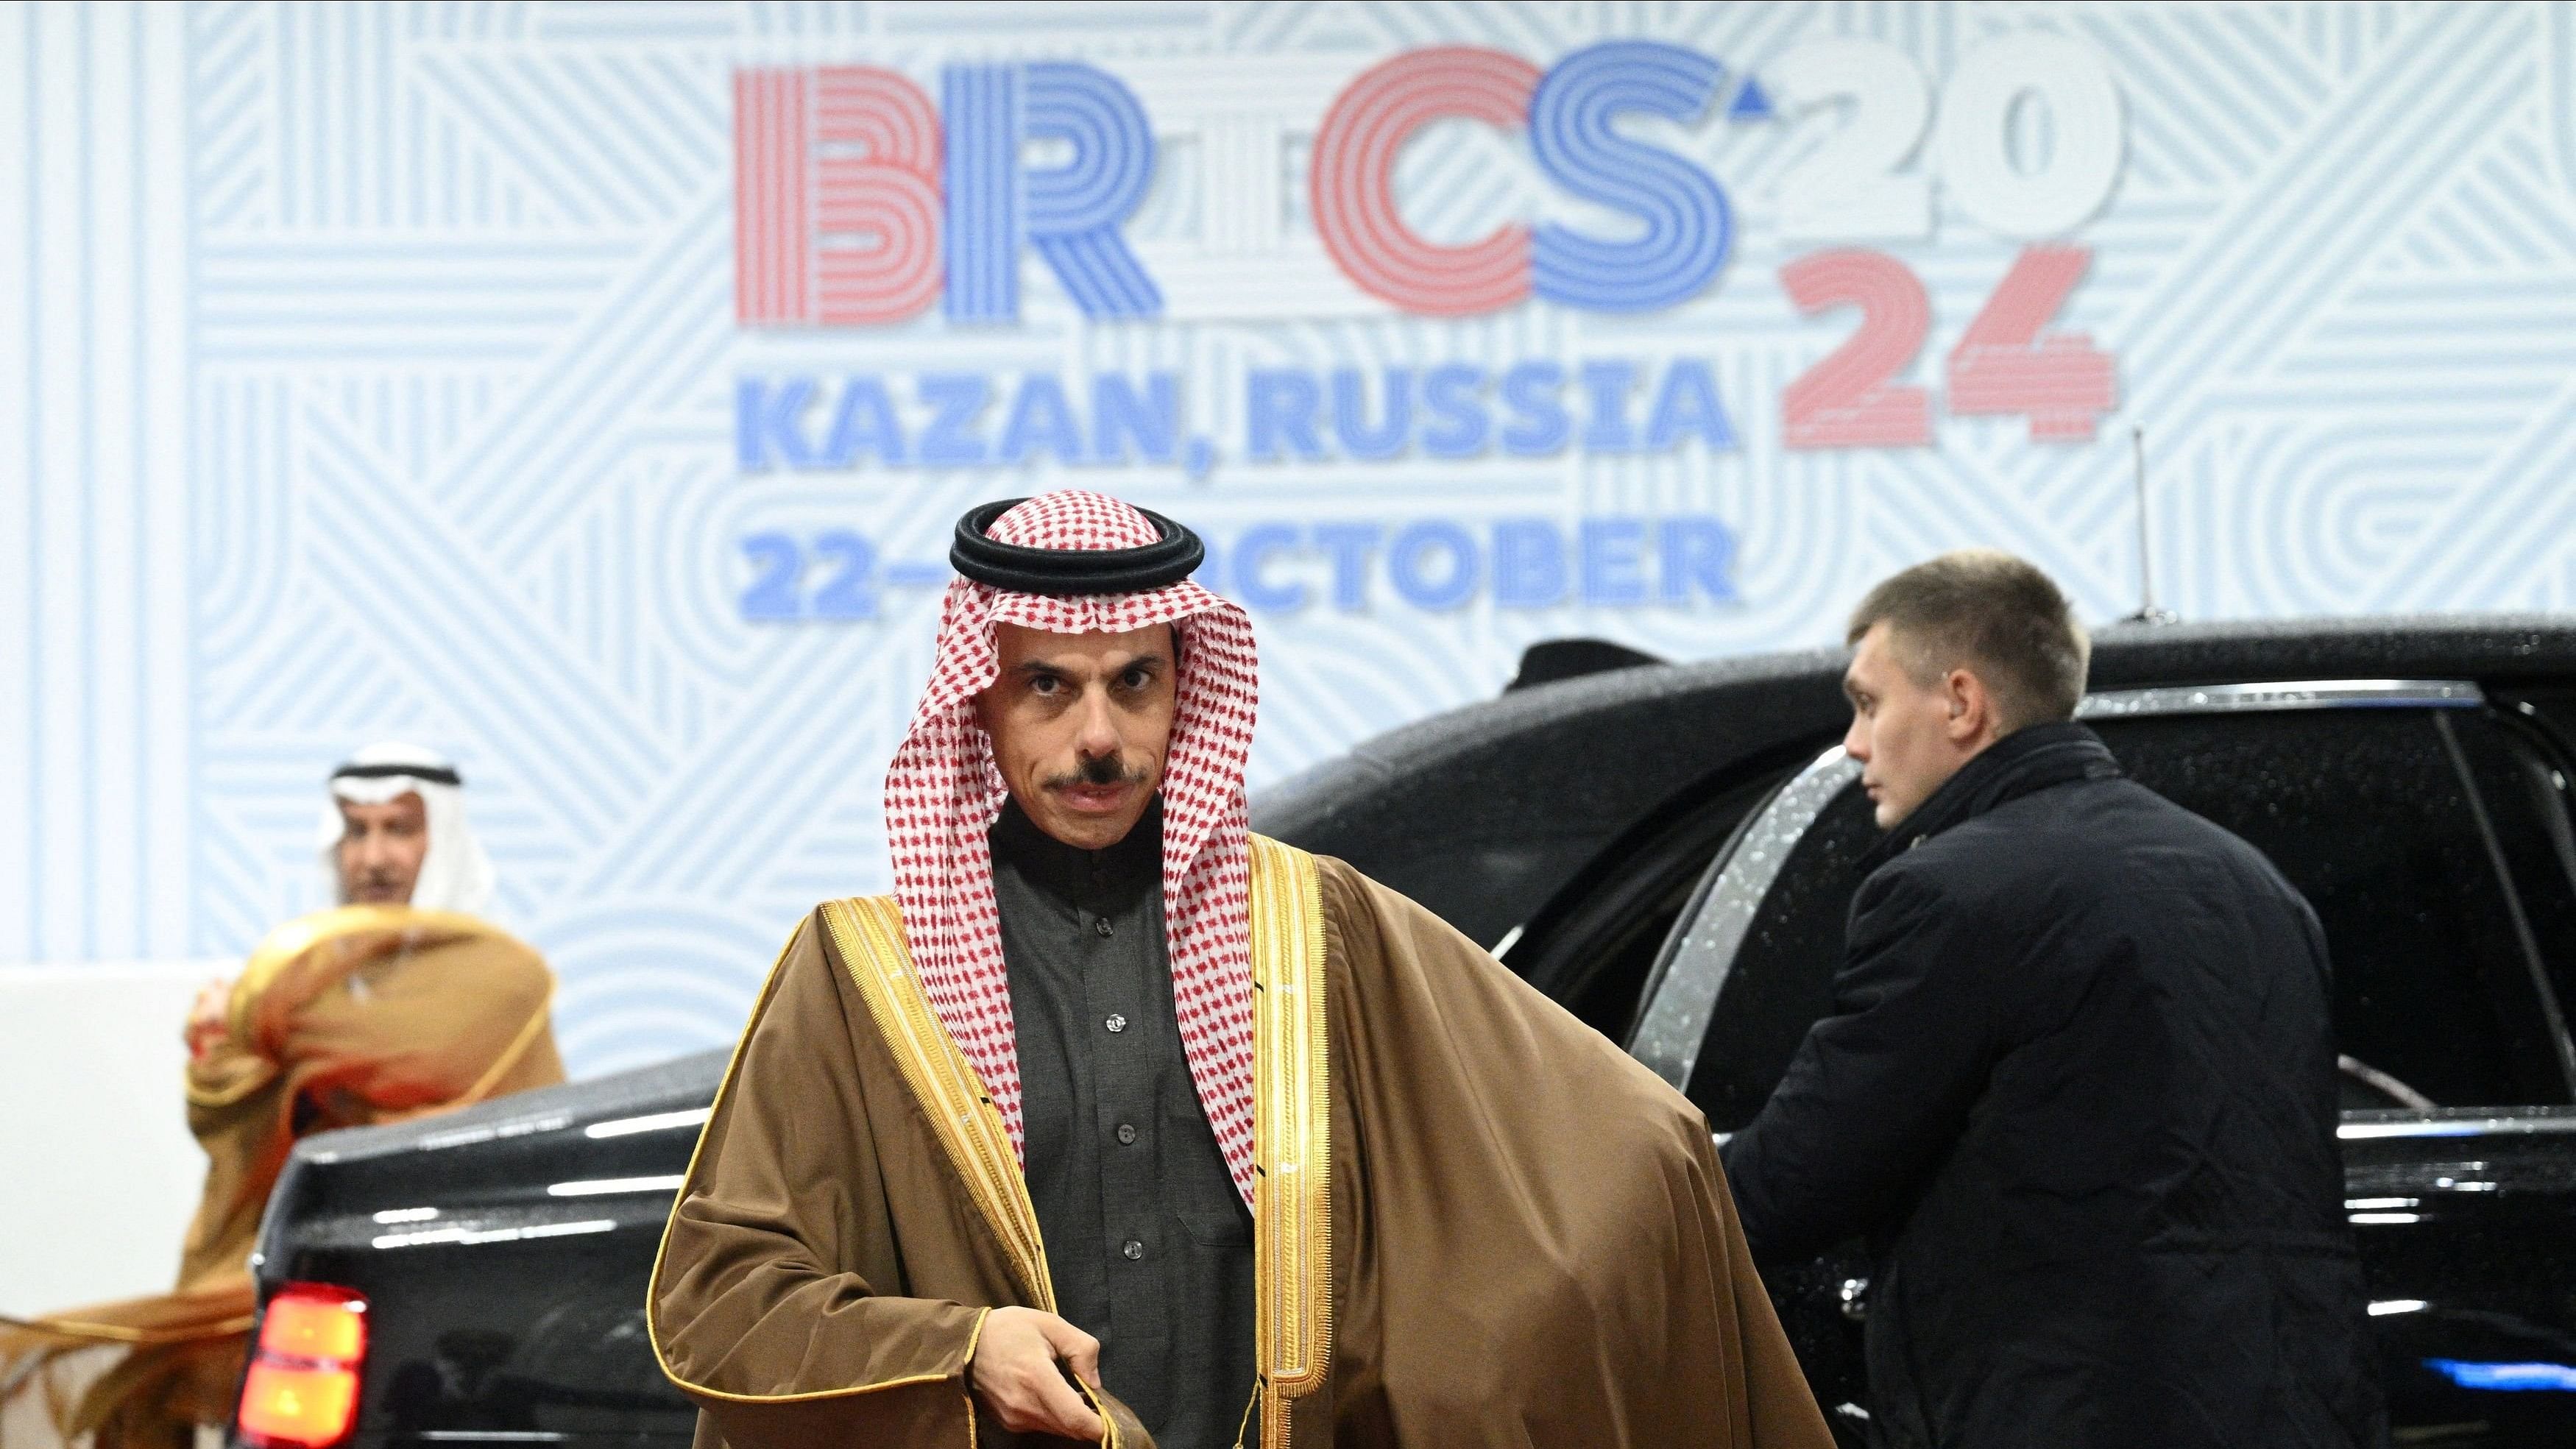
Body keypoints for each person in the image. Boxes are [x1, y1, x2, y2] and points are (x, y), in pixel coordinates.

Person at [648, 492, 1832, 1449]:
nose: (1098, 735)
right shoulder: (865, 975)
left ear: (1186, 691)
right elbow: (726, 1294)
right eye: (1048, 685)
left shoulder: (1318, 930)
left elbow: (1639, 1147)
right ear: (983, 706)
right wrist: (960, 1345)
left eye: (1135, 683)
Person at [1718, 551, 2379, 1449]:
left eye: (1869, 703)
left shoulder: (1950, 892)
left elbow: (1795, 1180)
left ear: (1959, 701)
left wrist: (1623, 1202)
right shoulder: (2255, 885)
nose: (1852, 744)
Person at [1, 745, 563, 1449]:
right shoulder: (303, 987)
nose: (375, 857)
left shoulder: (505, 980)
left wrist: (256, 1026)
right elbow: (224, 1107)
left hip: (454, 1287)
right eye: (356, 831)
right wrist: (231, 1041)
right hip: (315, 1276)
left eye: (399, 829)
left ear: (442, 839)